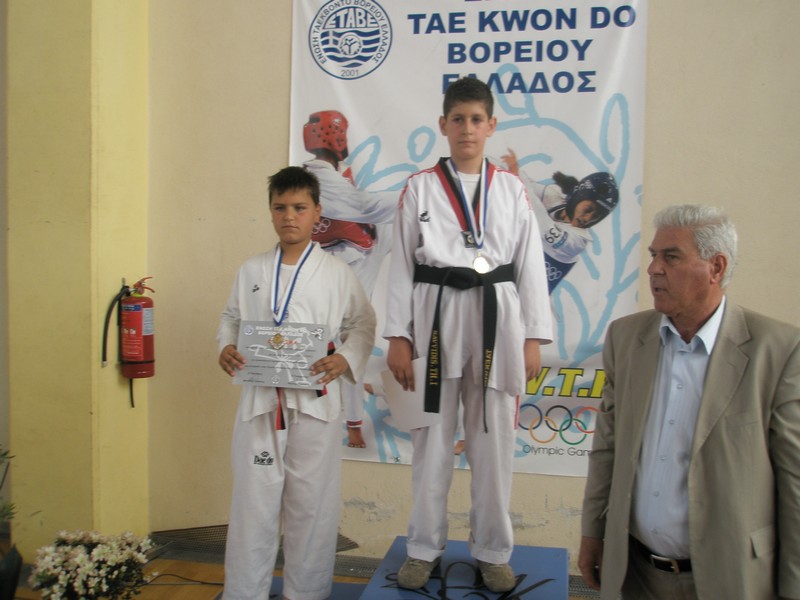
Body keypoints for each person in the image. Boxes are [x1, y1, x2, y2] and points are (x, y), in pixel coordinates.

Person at [578, 204, 800, 600]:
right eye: (653, 256)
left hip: (729, 578)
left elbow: (793, 481)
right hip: (635, 573)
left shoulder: (778, 350)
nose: (653, 269)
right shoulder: (625, 338)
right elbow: (607, 447)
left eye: (671, 257)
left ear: (716, 267)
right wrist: (593, 531)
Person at [384, 77, 553, 593]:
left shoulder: (512, 189)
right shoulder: (419, 186)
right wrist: (397, 336)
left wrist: (533, 337)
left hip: (495, 318)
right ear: (443, 125)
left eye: (476, 119)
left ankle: (493, 551)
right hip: (434, 315)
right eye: (457, 119)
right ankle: (423, 547)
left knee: (493, 442)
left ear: (491, 125)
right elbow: (399, 264)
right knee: (431, 443)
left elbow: (530, 264)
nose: (467, 129)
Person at [217, 166, 376, 600]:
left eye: (299, 208)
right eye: (280, 207)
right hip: (260, 402)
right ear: (271, 211)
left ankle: (306, 593)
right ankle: (244, 593)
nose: (289, 216)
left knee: (312, 505)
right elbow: (230, 318)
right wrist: (225, 345)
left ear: (317, 212)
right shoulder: (251, 269)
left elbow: (363, 325)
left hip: (315, 402)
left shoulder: (337, 272)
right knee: (253, 505)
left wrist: (345, 358)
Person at [302, 110, 398, 448]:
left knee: (352, 342)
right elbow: (367, 206)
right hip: (348, 262)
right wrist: (420, 194)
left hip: (353, 254)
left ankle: (356, 408)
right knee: (350, 343)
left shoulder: (328, 175)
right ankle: (353, 422)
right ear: (335, 137)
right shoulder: (320, 177)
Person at [502, 149, 620, 293]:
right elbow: (525, 184)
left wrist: (516, 178)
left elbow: (540, 221)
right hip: (507, 281)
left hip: (529, 299)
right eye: (588, 209)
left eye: (596, 216)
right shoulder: (553, 198)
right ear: (579, 196)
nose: (587, 218)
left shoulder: (578, 241)